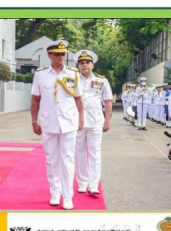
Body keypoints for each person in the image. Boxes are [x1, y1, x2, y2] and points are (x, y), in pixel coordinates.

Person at [31, 40, 84, 210]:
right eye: (57, 54)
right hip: (48, 122)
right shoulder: (40, 74)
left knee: (67, 159)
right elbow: (35, 99)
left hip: (69, 122)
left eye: (63, 54)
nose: (61, 57)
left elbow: (78, 99)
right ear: (50, 55)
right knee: (51, 159)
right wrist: (34, 120)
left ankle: (68, 196)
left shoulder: (73, 73)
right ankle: (55, 192)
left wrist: (81, 118)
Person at [73, 50, 113, 194]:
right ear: (78, 65)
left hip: (96, 122)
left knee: (95, 153)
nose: (85, 65)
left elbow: (108, 102)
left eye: (88, 62)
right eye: (82, 63)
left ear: (93, 65)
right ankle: (82, 182)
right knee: (79, 153)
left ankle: (93, 184)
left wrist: (107, 121)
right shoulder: (72, 80)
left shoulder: (102, 80)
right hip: (78, 122)